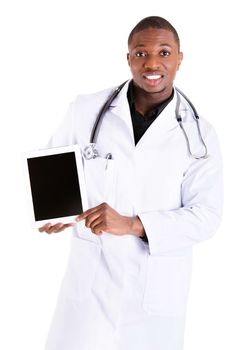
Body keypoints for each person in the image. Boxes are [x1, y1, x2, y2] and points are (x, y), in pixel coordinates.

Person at [40, 16, 223, 350]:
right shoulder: (87, 110)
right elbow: (52, 166)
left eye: (164, 52)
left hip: (154, 298)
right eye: (141, 53)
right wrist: (56, 212)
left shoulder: (200, 137)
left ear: (180, 58)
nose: (152, 63)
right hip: (88, 295)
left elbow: (207, 216)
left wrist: (133, 225)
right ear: (128, 58)